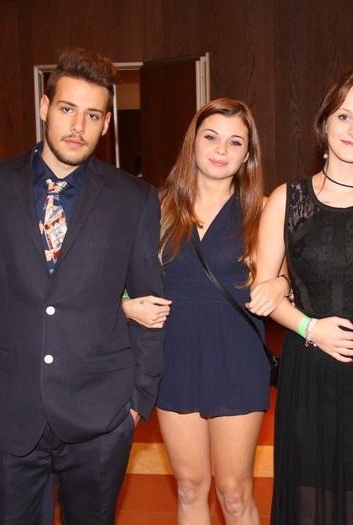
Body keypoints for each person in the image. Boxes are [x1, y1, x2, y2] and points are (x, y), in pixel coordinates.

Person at [0, 48, 164, 524]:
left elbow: (151, 303)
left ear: (107, 124)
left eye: (93, 115)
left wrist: (137, 400)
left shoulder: (135, 199)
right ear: (44, 107)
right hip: (7, 408)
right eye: (67, 109)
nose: (78, 126)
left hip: (102, 412)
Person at [254, 70, 353, 524]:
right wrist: (310, 327)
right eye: (344, 116)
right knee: (309, 502)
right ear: (324, 123)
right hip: (309, 369)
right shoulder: (287, 199)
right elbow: (265, 290)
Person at [130, 98, 287, 524]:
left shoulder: (262, 210)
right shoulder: (157, 208)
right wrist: (127, 306)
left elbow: (283, 281)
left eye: (235, 142)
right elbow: (115, 280)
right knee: (189, 487)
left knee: (234, 493)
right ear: (193, 143)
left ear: (247, 153)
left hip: (237, 355)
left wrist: (281, 283)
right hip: (175, 353)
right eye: (211, 137)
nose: (221, 150)